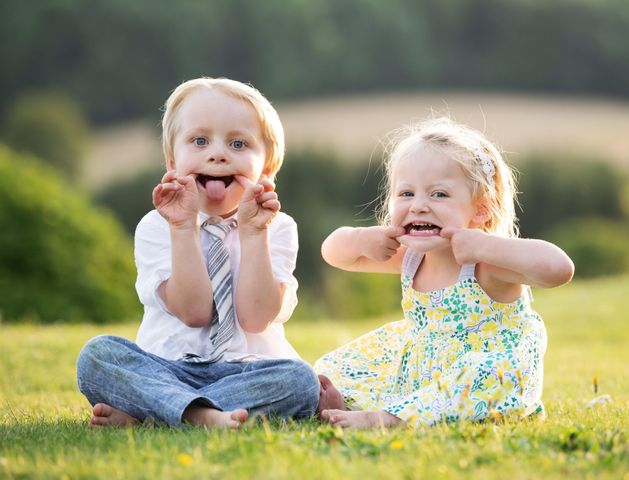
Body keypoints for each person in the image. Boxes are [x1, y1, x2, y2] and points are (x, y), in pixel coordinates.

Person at [76, 77, 320, 429]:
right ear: (173, 161)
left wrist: (254, 233)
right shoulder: (157, 225)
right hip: (168, 368)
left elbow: (255, 318)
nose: (217, 153)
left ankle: (159, 415)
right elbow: (193, 312)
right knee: (98, 355)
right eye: (200, 141)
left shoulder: (278, 227)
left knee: (300, 381)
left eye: (238, 143)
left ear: (266, 170)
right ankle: (197, 414)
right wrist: (182, 227)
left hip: (249, 370)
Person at [315, 117, 574, 428]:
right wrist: (361, 239)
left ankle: (385, 417)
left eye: (438, 194)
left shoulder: (486, 264)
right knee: (336, 366)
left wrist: (485, 246)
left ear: (481, 210)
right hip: (422, 373)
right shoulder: (409, 257)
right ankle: (361, 403)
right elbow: (332, 253)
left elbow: (559, 269)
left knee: (484, 375)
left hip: (481, 373)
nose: (419, 206)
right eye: (406, 194)